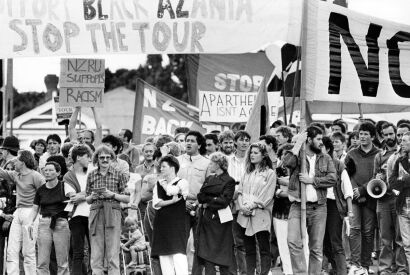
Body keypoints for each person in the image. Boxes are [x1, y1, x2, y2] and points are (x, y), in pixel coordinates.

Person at [282, 126, 337, 275]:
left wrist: (311, 180)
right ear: (309, 140)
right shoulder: (298, 155)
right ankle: (300, 273)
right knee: (293, 241)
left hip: (318, 207)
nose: (321, 142)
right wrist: (297, 144)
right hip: (297, 206)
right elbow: (286, 163)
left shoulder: (325, 157)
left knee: (316, 248)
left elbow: (333, 179)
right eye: (318, 139)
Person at [86, 145, 130, 275]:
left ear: (112, 158)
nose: (105, 160)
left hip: (113, 212)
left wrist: (112, 195)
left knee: (113, 251)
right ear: (97, 159)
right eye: (101, 157)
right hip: (96, 211)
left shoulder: (119, 174)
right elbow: (87, 199)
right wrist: (93, 196)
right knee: (96, 251)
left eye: (107, 157)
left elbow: (127, 198)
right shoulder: (91, 175)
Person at [0, 150, 45, 274]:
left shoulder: (36, 176)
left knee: (28, 251)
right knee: (11, 250)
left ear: (23, 162)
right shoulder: (16, 174)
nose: (14, 163)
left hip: (31, 212)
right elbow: (2, 172)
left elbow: (45, 194)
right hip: (18, 212)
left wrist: (39, 213)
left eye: (17, 161)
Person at [344, 121, 381, 275]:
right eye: (361, 134)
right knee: (354, 230)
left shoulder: (379, 154)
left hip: (371, 197)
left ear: (372, 136)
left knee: (368, 232)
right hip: (354, 198)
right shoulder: (351, 153)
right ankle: (355, 264)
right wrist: (355, 191)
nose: (363, 137)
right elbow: (347, 174)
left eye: (366, 134)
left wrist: (363, 190)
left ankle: (365, 266)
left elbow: (377, 176)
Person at [237, 142, 277, 275]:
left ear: (263, 155)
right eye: (251, 153)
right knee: (248, 248)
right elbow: (240, 191)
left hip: (260, 214)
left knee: (264, 247)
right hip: (245, 213)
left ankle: (264, 272)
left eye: (256, 153)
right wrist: (242, 206)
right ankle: (250, 272)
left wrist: (252, 205)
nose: (252, 155)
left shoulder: (270, 173)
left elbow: (267, 195)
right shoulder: (247, 172)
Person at [374, 123, 407, 275]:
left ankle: (401, 269)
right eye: (386, 135)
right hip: (383, 200)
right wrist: (378, 178)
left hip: (398, 199)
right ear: (382, 136)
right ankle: (385, 269)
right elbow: (373, 180)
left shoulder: (403, 154)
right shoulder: (379, 156)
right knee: (385, 237)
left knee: (400, 238)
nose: (390, 137)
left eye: (392, 134)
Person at [195, 152, 235, 275]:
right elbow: (200, 196)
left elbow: (224, 201)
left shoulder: (229, 180)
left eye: (212, 162)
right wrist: (213, 199)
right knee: (206, 250)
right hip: (206, 218)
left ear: (218, 165)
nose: (210, 165)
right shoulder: (209, 178)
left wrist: (208, 201)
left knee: (222, 250)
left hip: (220, 220)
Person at [27, 161, 70, 275]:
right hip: (44, 223)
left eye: (51, 170)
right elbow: (35, 208)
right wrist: (30, 222)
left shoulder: (64, 186)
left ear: (58, 172)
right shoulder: (41, 189)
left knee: (62, 261)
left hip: (61, 222)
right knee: (42, 261)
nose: (47, 172)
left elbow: (73, 199)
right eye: (45, 170)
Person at [176, 131, 210, 273]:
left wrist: (197, 203)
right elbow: (171, 184)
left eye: (192, 141)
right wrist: (181, 202)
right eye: (186, 140)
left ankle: (196, 272)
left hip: (199, 206)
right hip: (178, 205)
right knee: (179, 243)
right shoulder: (177, 161)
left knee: (198, 243)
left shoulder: (207, 163)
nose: (188, 143)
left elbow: (209, 187)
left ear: (199, 144)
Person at [152, 155, 190, 275]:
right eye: (160, 167)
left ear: (172, 168)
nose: (161, 169)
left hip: (177, 225)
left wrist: (164, 185)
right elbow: (156, 203)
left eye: (164, 166)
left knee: (179, 257)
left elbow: (171, 191)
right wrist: (172, 201)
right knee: (164, 258)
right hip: (162, 224)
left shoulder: (183, 182)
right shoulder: (158, 184)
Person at [321, 136, 353, 275]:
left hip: (334, 205)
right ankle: (335, 269)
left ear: (328, 149)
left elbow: (347, 189)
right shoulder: (314, 163)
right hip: (319, 204)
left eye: (321, 147)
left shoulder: (338, 165)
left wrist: (350, 210)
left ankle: (341, 271)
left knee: (335, 241)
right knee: (323, 241)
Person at [64, 144, 93, 275]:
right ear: (79, 157)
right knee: (77, 252)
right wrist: (88, 193)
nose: (90, 159)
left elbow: (98, 190)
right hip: (76, 216)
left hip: (94, 214)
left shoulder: (93, 171)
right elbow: (72, 197)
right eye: (88, 156)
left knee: (95, 250)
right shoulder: (68, 175)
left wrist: (82, 194)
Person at [228, 131, 251, 275]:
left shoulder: (253, 160)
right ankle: (238, 271)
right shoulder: (228, 160)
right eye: (241, 140)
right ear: (235, 142)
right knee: (236, 241)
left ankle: (250, 270)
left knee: (249, 240)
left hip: (249, 202)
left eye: (247, 140)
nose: (244, 143)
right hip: (232, 202)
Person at [390, 131, 410, 270]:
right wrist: (403, 179)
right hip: (403, 205)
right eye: (401, 140)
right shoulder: (399, 160)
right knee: (407, 244)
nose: (401, 143)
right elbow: (392, 182)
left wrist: (402, 180)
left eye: (404, 141)